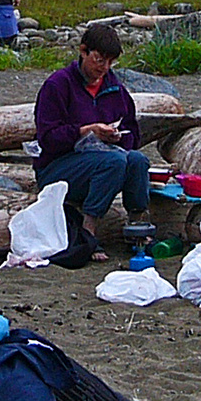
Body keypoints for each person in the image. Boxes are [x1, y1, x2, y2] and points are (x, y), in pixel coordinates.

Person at [33, 24, 150, 257]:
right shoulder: (58, 85)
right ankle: (89, 232)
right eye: (98, 60)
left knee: (138, 160)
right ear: (83, 51)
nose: (104, 68)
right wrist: (85, 131)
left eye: (110, 62)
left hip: (103, 161)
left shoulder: (115, 88)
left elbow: (132, 132)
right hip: (58, 167)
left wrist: (118, 138)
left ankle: (137, 227)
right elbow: (47, 139)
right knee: (114, 161)